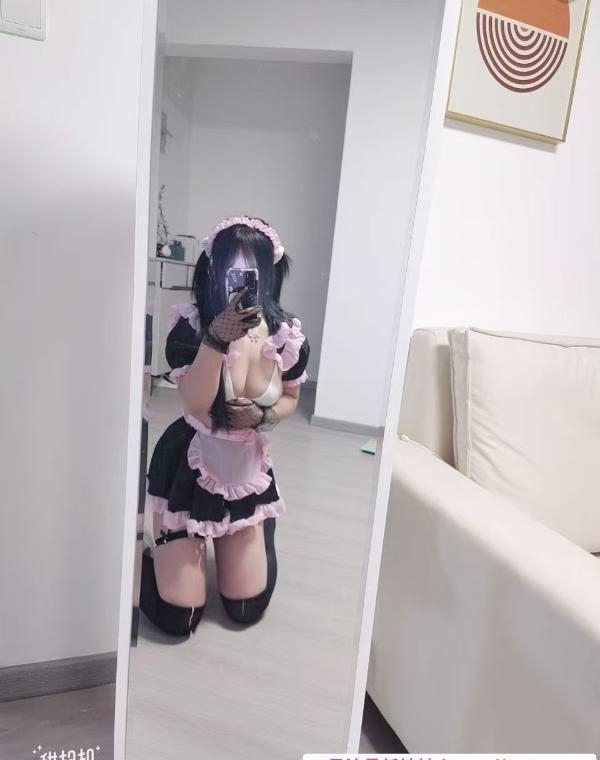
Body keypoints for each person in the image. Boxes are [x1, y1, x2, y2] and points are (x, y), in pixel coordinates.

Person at [140, 216, 309, 636]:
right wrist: (216, 339)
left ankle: (256, 528)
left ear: (269, 272)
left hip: (245, 470)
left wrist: (265, 417)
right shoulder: (192, 326)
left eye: (252, 269)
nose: (241, 278)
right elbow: (196, 403)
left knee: (246, 608)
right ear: (213, 270)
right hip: (189, 464)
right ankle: (152, 550)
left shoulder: (286, 336)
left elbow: (290, 397)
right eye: (231, 268)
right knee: (179, 617)